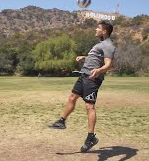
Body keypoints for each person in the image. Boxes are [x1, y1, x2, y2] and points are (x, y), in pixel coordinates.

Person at [49, 20, 116, 153]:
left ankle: (91, 137)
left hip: (92, 79)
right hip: (83, 75)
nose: (95, 30)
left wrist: (98, 71)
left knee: (89, 106)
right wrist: (84, 58)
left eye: (98, 28)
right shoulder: (100, 44)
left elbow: (108, 65)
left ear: (104, 31)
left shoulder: (108, 45)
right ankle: (62, 121)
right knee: (72, 97)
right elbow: (95, 58)